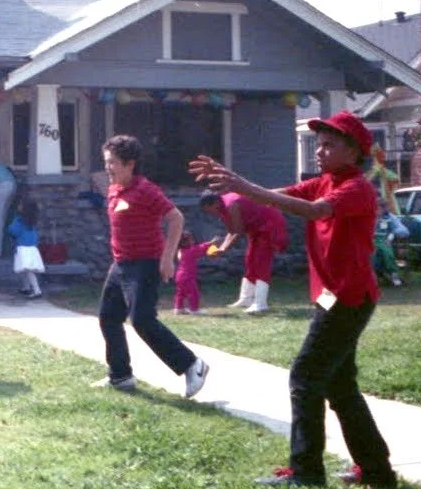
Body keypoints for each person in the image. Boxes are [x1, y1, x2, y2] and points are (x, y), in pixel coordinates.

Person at [189, 110, 397, 489]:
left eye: (330, 144)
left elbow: (315, 210)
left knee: (305, 377)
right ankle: (377, 471)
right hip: (334, 297)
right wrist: (234, 187)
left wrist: (242, 185)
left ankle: (307, 472)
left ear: (353, 152)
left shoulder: (354, 189)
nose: (320, 151)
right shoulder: (326, 181)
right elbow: (276, 199)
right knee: (340, 386)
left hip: (349, 297)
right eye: (318, 144)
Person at [92, 135, 208, 398]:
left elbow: (175, 218)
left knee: (143, 320)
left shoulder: (146, 190)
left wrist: (167, 259)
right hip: (120, 265)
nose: (108, 167)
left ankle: (192, 365)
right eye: (106, 162)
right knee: (109, 318)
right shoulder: (114, 189)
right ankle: (120, 377)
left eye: (113, 163)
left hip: (145, 264)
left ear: (130, 164)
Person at [199, 189, 289, 314]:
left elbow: (238, 231)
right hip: (256, 228)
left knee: (261, 261)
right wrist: (221, 249)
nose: (210, 214)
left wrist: (223, 249)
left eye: (209, 210)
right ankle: (246, 299)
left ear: (214, 203)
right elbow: (231, 231)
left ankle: (260, 303)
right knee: (250, 260)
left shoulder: (232, 205)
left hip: (270, 224)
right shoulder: (222, 208)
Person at [8, 196, 44, 298]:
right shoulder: (32, 221)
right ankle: (26, 287)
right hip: (32, 247)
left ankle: (37, 290)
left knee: (27, 270)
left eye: (20, 205)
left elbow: (13, 230)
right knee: (24, 269)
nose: (18, 206)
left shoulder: (19, 220)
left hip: (22, 248)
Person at [174, 232, 217, 315]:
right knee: (194, 293)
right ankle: (194, 309)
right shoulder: (190, 251)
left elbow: (197, 249)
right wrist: (211, 243)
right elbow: (200, 249)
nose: (193, 241)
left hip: (179, 276)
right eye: (190, 240)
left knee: (180, 293)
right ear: (184, 242)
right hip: (187, 277)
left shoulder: (181, 251)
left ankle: (178, 308)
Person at [372, 199, 409, 287]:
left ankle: (393, 273)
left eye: (379, 208)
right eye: (375, 208)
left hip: (384, 239)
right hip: (370, 239)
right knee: (371, 253)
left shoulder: (389, 217)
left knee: (387, 253)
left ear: (384, 209)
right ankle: (373, 276)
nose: (377, 211)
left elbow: (400, 230)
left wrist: (390, 238)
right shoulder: (369, 217)